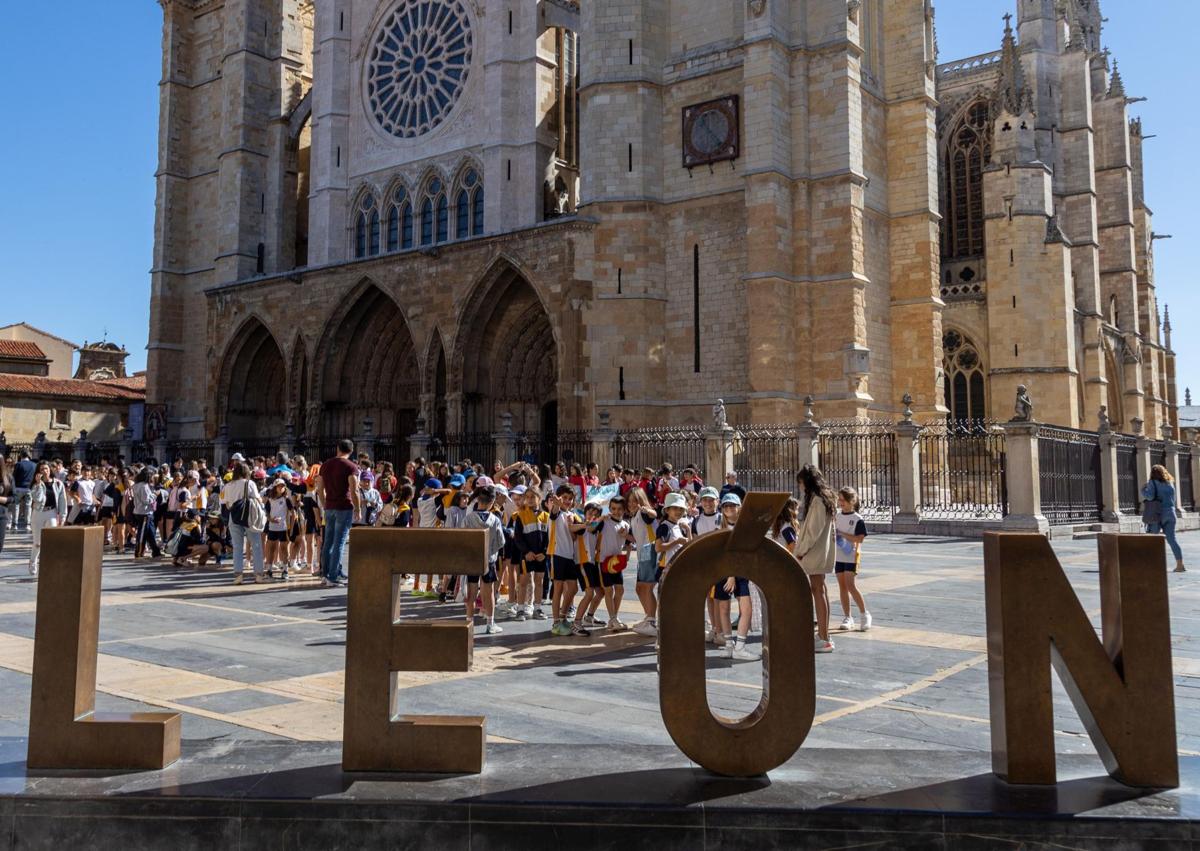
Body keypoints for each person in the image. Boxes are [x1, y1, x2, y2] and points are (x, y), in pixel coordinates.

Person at [794, 465, 838, 653]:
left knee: (818, 590)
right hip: (819, 552)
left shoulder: (818, 502)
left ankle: (824, 637)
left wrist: (800, 551)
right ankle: (823, 633)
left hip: (815, 553)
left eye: (801, 483)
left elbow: (813, 531)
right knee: (820, 589)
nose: (801, 487)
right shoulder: (821, 499)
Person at [636, 491, 690, 637]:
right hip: (666, 568)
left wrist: (688, 531)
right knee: (667, 600)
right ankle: (662, 630)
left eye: (680, 509)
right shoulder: (665, 526)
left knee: (676, 599)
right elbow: (658, 547)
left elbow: (687, 546)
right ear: (667, 510)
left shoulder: (680, 525)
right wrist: (677, 542)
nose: (678, 512)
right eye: (675, 508)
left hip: (677, 568)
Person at [713, 493, 759, 660]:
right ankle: (729, 645)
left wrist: (733, 574)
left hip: (741, 573)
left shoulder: (745, 526)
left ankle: (740, 646)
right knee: (723, 609)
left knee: (746, 609)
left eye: (732, 505)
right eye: (726, 506)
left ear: (739, 507)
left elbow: (743, 551)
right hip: (724, 572)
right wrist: (729, 574)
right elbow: (722, 552)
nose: (729, 508)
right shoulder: (720, 526)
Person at [315, 439, 361, 588]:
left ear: (337, 449)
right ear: (351, 450)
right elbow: (354, 490)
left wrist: (324, 503)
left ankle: (326, 573)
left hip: (330, 506)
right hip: (344, 506)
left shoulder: (326, 465)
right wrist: (358, 508)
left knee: (328, 541)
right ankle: (333, 576)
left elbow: (319, 488)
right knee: (339, 542)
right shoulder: (351, 467)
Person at [464, 485, 507, 635]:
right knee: (488, 592)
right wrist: (492, 551)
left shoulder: (468, 519)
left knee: (471, 591)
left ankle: (468, 621)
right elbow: (501, 541)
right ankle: (490, 623)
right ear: (492, 501)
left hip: (471, 560)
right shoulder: (494, 519)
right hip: (489, 560)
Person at [546, 485, 585, 636]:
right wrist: (557, 503)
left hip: (570, 556)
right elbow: (555, 509)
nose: (567, 501)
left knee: (573, 588)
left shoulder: (571, 515)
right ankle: (556, 622)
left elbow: (574, 536)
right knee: (558, 588)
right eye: (565, 498)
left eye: (570, 498)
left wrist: (576, 525)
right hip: (557, 554)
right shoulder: (555, 512)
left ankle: (562, 616)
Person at [834, 487, 872, 630]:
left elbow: (859, 539)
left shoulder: (858, 520)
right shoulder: (837, 516)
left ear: (852, 501)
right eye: (840, 499)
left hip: (852, 555)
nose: (840, 502)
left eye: (843, 500)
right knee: (842, 586)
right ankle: (847, 617)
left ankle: (864, 614)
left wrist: (842, 534)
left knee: (851, 585)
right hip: (839, 555)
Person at [222, 462, 266, 584]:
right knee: (256, 545)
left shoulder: (228, 485)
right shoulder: (249, 483)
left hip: (234, 516)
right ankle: (258, 574)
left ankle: (238, 575)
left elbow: (226, 503)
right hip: (249, 516)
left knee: (237, 546)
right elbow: (257, 499)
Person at [512, 486, 550, 620]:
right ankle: (520, 609)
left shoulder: (546, 516)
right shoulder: (520, 516)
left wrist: (544, 552)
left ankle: (538, 608)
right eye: (527, 497)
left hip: (541, 556)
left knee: (539, 581)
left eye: (533, 497)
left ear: (539, 499)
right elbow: (518, 537)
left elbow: (549, 538)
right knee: (524, 581)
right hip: (526, 555)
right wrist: (526, 552)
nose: (529, 500)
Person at [627, 487, 659, 635]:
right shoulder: (634, 517)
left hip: (649, 551)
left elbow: (654, 514)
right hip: (642, 553)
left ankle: (652, 622)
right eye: (630, 502)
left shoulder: (643, 513)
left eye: (635, 501)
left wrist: (647, 510)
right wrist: (624, 536)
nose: (632, 504)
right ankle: (649, 618)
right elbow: (636, 538)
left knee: (646, 587)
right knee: (640, 588)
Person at [1143, 464, 1186, 572]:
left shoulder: (1152, 482)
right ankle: (1180, 565)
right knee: (1172, 540)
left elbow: (1151, 496)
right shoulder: (1170, 483)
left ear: (1152, 473)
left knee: (1152, 539)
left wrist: (1143, 490)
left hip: (1157, 513)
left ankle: (1152, 564)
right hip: (1171, 513)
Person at [26, 462, 67, 574]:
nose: (44, 471)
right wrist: (38, 484)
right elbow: (37, 499)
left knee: (50, 539)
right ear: (38, 472)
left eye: (46, 468)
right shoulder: (35, 485)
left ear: (50, 470)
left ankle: (49, 563)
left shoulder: (58, 484)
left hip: (52, 513)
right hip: (38, 513)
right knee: (38, 542)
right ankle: (33, 562)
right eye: (42, 469)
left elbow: (62, 501)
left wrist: (63, 517)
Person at [131, 468, 162, 559]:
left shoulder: (137, 485)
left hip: (143, 512)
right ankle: (139, 551)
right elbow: (146, 500)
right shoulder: (144, 486)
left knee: (151, 533)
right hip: (144, 513)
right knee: (142, 534)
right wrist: (155, 494)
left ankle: (156, 551)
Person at [9, 450, 36, 532]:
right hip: (29, 488)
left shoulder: (18, 464)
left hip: (18, 488)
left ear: (21, 456)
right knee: (28, 506)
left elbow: (14, 477)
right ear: (29, 456)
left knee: (16, 506)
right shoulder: (34, 465)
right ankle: (27, 524)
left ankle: (15, 524)